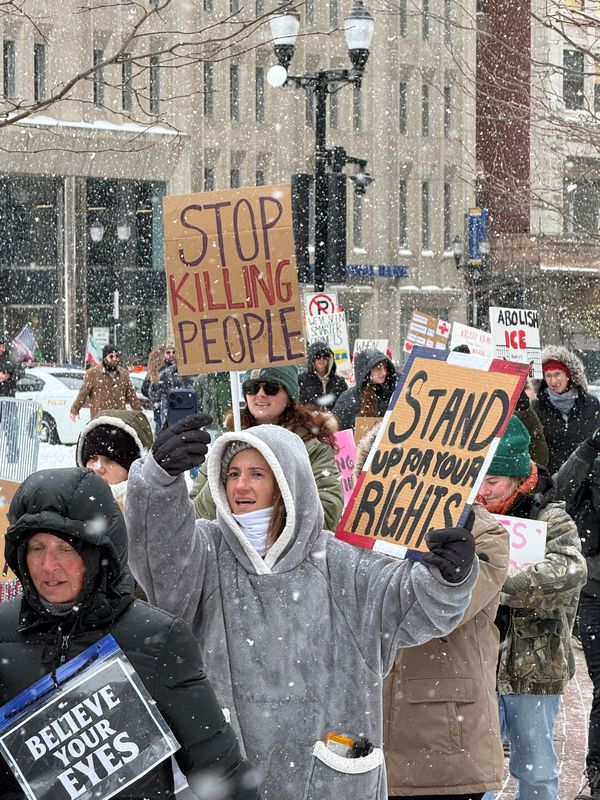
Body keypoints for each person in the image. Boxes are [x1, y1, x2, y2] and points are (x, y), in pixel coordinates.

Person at [125, 416, 479, 800]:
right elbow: (157, 553)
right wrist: (158, 482)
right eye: (232, 473)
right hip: (228, 777)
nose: (240, 485)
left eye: (257, 473)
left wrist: (450, 575)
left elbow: (418, 608)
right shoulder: (207, 553)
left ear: (286, 482)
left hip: (327, 777)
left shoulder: (343, 563)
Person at [0, 467, 257, 800]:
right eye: (37, 548)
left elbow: (220, 774)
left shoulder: (158, 639)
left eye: (65, 549)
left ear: (96, 554)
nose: (48, 566)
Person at [476, 415, 587, 800]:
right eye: (480, 480)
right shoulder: (468, 515)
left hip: (535, 669)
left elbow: (570, 570)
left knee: (536, 771)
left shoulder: (549, 515)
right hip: (479, 665)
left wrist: (497, 584)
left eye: (493, 482)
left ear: (517, 478)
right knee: (479, 772)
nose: (484, 491)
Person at [190, 365, 344, 531]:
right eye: (252, 388)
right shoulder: (227, 444)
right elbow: (195, 516)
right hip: (231, 553)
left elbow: (328, 515)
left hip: (292, 554)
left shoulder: (313, 445)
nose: (260, 394)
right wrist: (221, 473)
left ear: (289, 394)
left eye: (271, 388)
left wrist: (263, 515)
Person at [552, 427, 600, 796]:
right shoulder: (592, 458)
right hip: (596, 590)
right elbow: (558, 491)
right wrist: (590, 446)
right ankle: (597, 773)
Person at [533, 346, 600, 474]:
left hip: (587, 480)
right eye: (548, 375)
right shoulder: (537, 407)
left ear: (568, 374)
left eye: (558, 374)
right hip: (552, 483)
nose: (553, 381)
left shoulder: (591, 404)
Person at [75, 408, 153, 504]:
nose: (97, 468)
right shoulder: (68, 505)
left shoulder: (154, 513)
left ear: (134, 468)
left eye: (110, 459)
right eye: (92, 458)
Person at [70, 344, 141, 421]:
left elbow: (132, 396)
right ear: (105, 358)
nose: (115, 359)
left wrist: (139, 414)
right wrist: (75, 410)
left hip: (119, 420)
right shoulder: (92, 374)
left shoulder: (124, 374)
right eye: (111, 356)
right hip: (99, 421)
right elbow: (83, 394)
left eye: (116, 356)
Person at [332, 347, 397, 432]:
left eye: (385, 368)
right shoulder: (347, 400)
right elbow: (336, 433)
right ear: (366, 371)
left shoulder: (391, 394)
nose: (384, 372)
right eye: (378, 368)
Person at [299, 340, 348, 411]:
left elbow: (344, 407)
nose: (322, 359)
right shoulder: (301, 380)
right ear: (312, 360)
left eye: (325, 356)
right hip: (309, 420)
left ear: (330, 360)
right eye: (318, 356)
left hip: (333, 421)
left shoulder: (339, 383)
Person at [0, 334, 22, 463]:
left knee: (11, 431)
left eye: (2, 345)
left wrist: (8, 374)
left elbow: (21, 372)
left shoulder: (10, 358)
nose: (1, 348)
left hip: (8, 400)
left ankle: (13, 456)